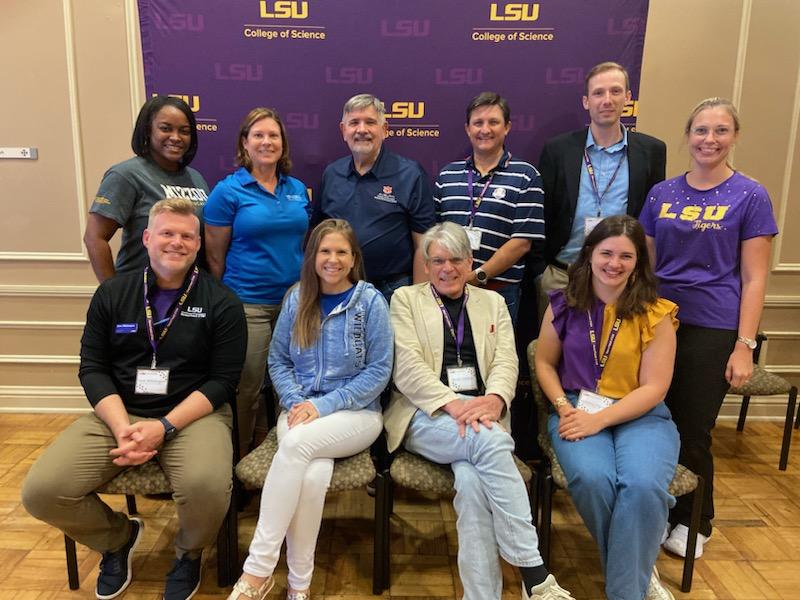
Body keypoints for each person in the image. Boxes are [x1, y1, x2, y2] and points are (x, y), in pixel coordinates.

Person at [23, 198, 246, 600]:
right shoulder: (113, 293)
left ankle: (188, 553)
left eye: (186, 236)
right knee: (41, 491)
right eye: (166, 233)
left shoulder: (221, 302)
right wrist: (124, 427)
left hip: (193, 416)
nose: (176, 242)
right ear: (146, 238)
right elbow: (92, 368)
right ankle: (117, 539)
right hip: (119, 413)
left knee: (206, 486)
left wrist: (162, 428)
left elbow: (222, 382)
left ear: (198, 244)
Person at [384, 222, 573, 600]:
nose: (447, 268)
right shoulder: (405, 299)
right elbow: (407, 368)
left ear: (470, 262)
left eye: (456, 259)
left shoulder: (494, 302)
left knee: (472, 485)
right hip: (429, 414)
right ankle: (534, 574)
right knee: (490, 444)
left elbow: (507, 360)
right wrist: (455, 405)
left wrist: (497, 399)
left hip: (485, 414)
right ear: (426, 264)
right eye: (438, 260)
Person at [639, 98, 778, 558]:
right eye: (701, 130)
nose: (709, 140)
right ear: (688, 136)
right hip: (659, 322)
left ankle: (697, 520)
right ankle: (662, 507)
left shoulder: (750, 195)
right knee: (654, 419)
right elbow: (647, 264)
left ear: (734, 136)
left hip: (714, 326)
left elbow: (756, 278)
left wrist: (744, 346)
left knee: (692, 426)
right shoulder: (662, 193)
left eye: (720, 131)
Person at [228, 219, 392, 600]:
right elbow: (279, 360)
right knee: (313, 476)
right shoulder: (296, 297)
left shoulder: (370, 301)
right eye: (324, 251)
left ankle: (257, 570)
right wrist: (297, 401)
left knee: (296, 446)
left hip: (357, 414)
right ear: (312, 256)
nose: (332, 259)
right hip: (299, 410)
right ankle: (299, 587)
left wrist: (323, 405)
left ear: (354, 258)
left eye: (341, 252)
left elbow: (380, 370)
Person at [536, 215, 680, 600]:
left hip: (642, 416)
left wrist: (599, 420)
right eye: (606, 253)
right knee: (594, 480)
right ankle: (638, 568)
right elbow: (545, 363)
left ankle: (627, 586)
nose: (614, 263)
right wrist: (563, 408)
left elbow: (655, 387)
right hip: (575, 410)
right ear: (589, 254)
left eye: (626, 256)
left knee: (643, 486)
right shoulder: (564, 304)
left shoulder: (657, 313)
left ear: (638, 263)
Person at [203, 107, 310, 455]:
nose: (267, 142)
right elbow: (214, 256)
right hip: (248, 304)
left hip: (295, 305)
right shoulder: (228, 191)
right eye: (258, 135)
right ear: (244, 144)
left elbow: (304, 244)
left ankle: (285, 455)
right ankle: (240, 459)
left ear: (283, 144)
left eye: (273, 136)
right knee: (248, 387)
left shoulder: (296, 189)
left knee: (290, 387)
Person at [536, 61, 667, 321]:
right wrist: (541, 272)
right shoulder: (558, 150)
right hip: (563, 274)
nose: (607, 100)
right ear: (586, 101)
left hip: (620, 276)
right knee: (552, 354)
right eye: (598, 93)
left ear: (628, 98)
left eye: (615, 91)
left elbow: (652, 220)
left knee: (612, 356)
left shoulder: (652, 151)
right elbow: (542, 213)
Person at [435, 92, 544, 323]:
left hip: (500, 291)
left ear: (507, 127)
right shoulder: (447, 175)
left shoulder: (526, 175)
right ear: (467, 128)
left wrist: (477, 276)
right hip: (448, 289)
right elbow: (433, 235)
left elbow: (522, 242)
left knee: (495, 357)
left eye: (493, 122)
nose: (485, 129)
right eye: (478, 123)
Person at [315, 93, 436, 301]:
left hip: (392, 290)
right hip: (339, 285)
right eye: (354, 123)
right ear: (343, 131)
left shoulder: (410, 174)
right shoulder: (331, 174)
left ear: (385, 129)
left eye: (370, 122)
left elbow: (423, 244)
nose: (362, 130)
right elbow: (317, 236)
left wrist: (418, 300)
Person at [84, 96, 209, 282]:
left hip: (189, 291)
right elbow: (95, 238)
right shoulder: (126, 175)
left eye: (184, 131)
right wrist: (112, 294)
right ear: (148, 130)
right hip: (140, 292)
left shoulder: (196, 178)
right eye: (166, 128)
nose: (175, 137)